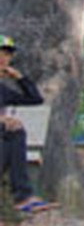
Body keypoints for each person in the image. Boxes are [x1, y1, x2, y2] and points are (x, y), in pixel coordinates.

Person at [0, 34, 54, 214]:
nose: (3, 58)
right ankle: (23, 196)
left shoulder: (3, 90)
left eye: (7, 54)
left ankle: (24, 197)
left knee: (15, 133)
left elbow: (35, 99)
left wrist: (20, 78)